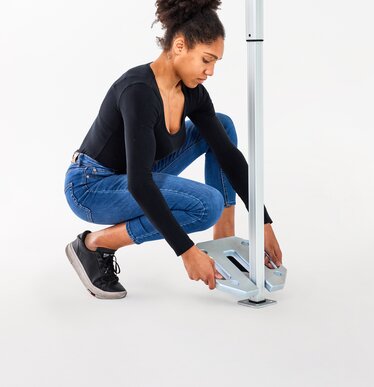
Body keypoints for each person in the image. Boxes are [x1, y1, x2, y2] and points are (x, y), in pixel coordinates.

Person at [64, 0, 283, 300]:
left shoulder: (193, 93)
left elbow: (229, 156)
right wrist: (187, 250)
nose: (211, 71)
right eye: (207, 60)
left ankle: (225, 236)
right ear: (180, 46)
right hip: (91, 186)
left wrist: (263, 221)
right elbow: (139, 184)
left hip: (132, 174)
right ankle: (95, 244)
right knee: (207, 204)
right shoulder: (138, 91)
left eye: (216, 62)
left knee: (223, 126)